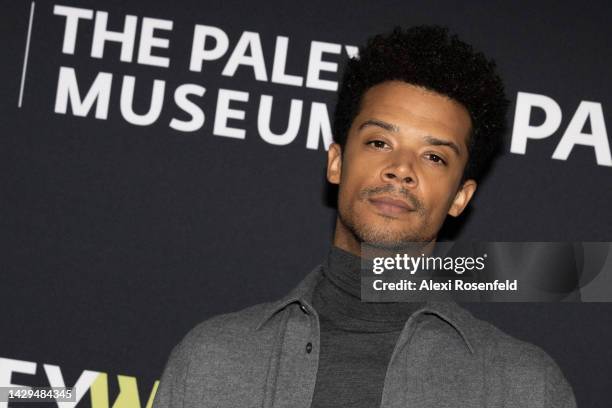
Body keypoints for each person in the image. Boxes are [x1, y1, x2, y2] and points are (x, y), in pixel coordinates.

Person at [152, 25, 576, 407]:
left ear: (460, 197)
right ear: (336, 163)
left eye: (433, 156)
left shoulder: (524, 388)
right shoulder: (212, 357)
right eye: (379, 142)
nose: (401, 169)